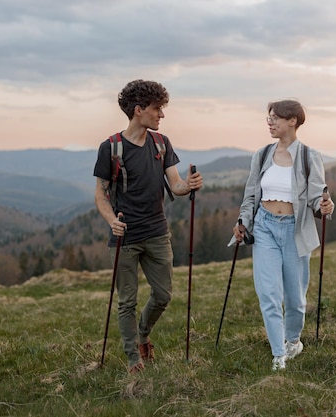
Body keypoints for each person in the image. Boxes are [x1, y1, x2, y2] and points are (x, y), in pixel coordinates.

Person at [93, 79, 203, 374]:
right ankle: (133, 358)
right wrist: (111, 221)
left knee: (164, 294)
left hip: (157, 232)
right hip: (125, 236)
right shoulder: (111, 148)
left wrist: (188, 185)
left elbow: (176, 185)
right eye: (157, 109)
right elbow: (100, 194)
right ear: (139, 110)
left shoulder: (161, 143)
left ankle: (143, 335)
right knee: (127, 301)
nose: (161, 115)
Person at [233, 99, 334, 371]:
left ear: (293, 121)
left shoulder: (308, 156)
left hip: (294, 229)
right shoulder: (262, 154)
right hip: (265, 226)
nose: (270, 122)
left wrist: (325, 205)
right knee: (268, 293)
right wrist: (243, 220)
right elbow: (251, 194)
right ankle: (279, 354)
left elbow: (317, 196)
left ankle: (293, 341)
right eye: (269, 118)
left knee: (295, 299)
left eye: (275, 117)